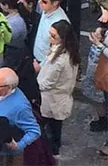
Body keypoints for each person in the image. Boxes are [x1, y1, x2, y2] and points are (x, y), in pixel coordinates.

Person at [34, 19, 78, 156]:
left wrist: (34, 84)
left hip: (52, 100)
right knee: (54, 128)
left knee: (48, 129)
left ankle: (51, 154)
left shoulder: (59, 60)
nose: (50, 38)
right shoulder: (68, 52)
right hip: (59, 99)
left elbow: (47, 83)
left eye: (54, 36)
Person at [0, 68, 42, 165]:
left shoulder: (20, 107)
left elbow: (34, 130)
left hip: (6, 155)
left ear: (9, 87)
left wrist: (19, 145)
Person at [33, 0, 69, 66]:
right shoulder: (46, 9)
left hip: (45, 64)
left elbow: (58, 49)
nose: (39, 2)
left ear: (55, 3)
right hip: (37, 57)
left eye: (44, 1)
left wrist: (41, 66)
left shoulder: (60, 22)